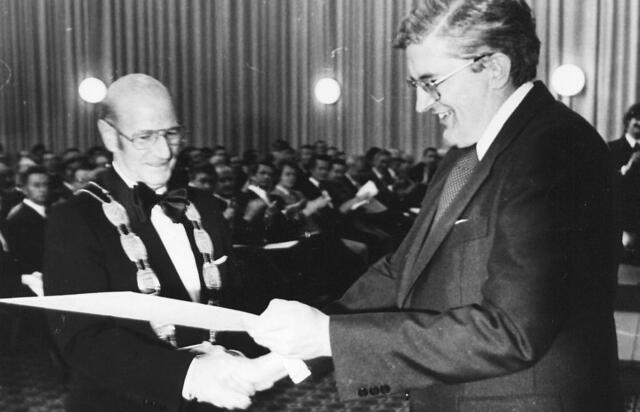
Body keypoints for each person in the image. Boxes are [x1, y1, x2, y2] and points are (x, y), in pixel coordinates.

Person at [249, 1, 620, 411]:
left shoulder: (555, 149)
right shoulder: (466, 154)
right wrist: (291, 352)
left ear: (494, 67)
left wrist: (328, 336)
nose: (422, 106)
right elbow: (403, 268)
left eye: (432, 82)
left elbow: (514, 330)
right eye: (417, 86)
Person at [43, 74, 286, 412]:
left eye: (171, 133)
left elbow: (233, 299)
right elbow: (82, 339)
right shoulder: (74, 219)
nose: (164, 152)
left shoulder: (204, 204)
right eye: (144, 137)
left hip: (217, 398)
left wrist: (242, 356)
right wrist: (191, 375)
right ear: (110, 135)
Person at [609, 103, 640, 262]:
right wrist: (627, 168)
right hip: (621, 219)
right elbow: (605, 183)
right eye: (636, 119)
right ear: (627, 122)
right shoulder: (612, 148)